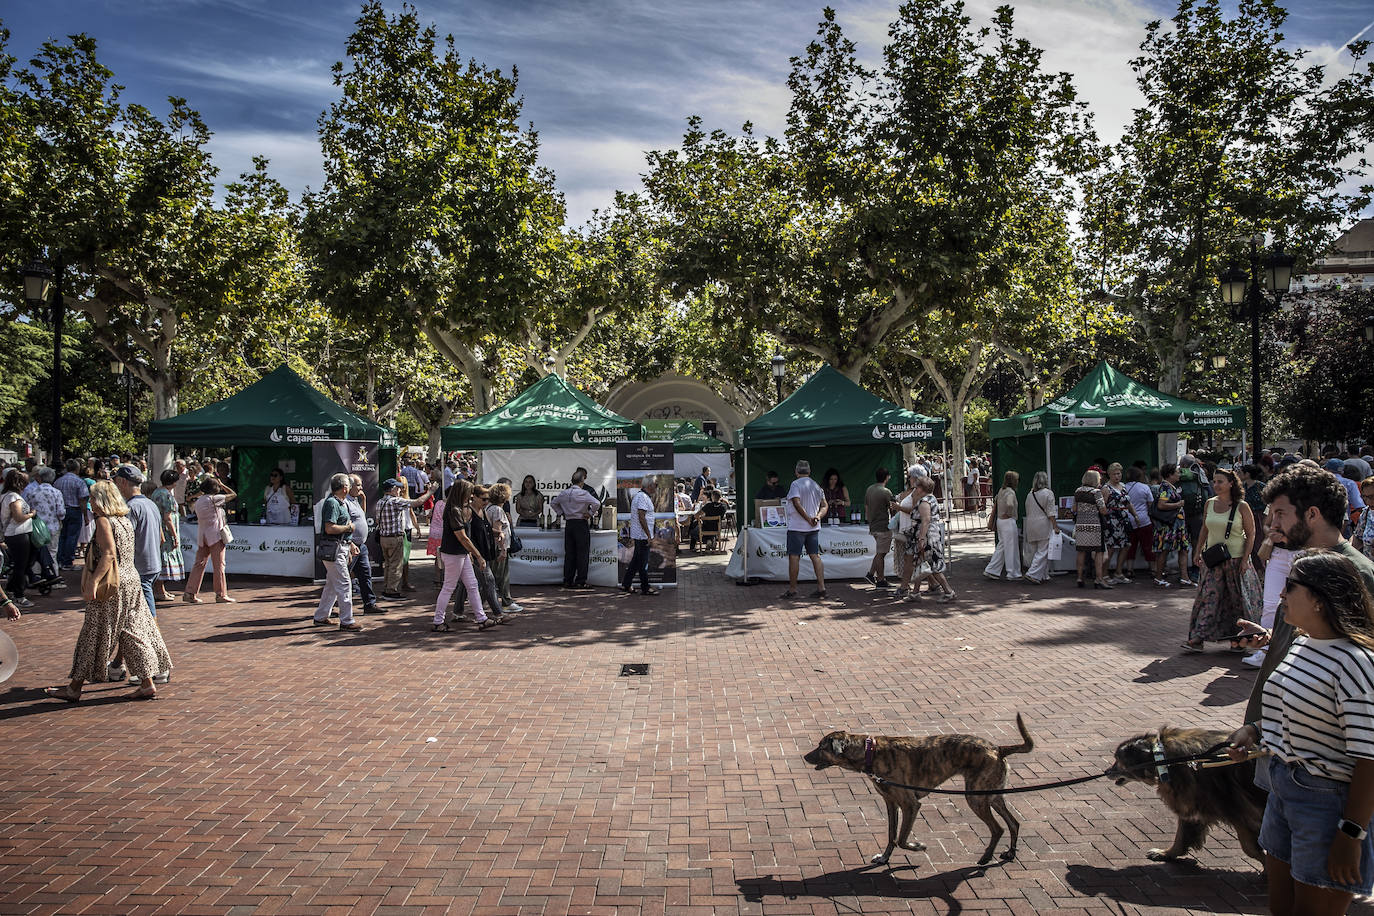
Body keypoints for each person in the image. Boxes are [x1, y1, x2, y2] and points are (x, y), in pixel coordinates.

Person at [1226, 550, 1374, 914]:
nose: (1280, 594)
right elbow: (1294, 709)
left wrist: (1351, 832)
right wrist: (1255, 730)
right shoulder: (1301, 643)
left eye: (1290, 586)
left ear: (1320, 600)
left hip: (1328, 802)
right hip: (1284, 791)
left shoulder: (1355, 664)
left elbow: (1369, 756)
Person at [43, 480, 172, 702]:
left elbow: (109, 554)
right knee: (134, 633)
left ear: (102, 500)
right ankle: (147, 682)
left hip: (113, 583)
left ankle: (74, 688)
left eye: (93, 498)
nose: (90, 503)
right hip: (131, 579)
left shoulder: (104, 521)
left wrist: (93, 582)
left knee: (94, 633)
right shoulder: (123, 520)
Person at [1181, 467, 1259, 653]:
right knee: (1208, 598)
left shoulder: (1241, 506)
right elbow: (1205, 530)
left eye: (1220, 481)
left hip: (1235, 559)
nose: (1216, 485)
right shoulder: (1210, 503)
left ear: (1231, 483)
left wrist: (1245, 559)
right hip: (1213, 559)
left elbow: (1251, 533)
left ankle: (1237, 640)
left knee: (1235, 601)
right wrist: (1198, 550)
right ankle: (1197, 638)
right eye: (1214, 481)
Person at [432, 479, 493, 632]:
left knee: (472, 585)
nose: (471, 496)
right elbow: (462, 537)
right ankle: (438, 621)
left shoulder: (457, 508)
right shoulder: (454, 510)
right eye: (469, 493)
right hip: (454, 553)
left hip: (459, 553)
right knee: (449, 587)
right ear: (462, 493)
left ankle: (482, 618)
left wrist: (471, 553)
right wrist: (478, 555)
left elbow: (464, 537)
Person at [452, 486, 515, 622]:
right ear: (474, 496)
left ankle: (457, 612)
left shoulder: (483, 511)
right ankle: (498, 613)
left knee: (465, 582)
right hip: (475, 552)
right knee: (489, 580)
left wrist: (499, 533)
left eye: (488, 499)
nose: (486, 502)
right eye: (484, 499)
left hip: (482, 551)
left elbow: (486, 529)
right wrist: (473, 553)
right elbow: (464, 534)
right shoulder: (468, 511)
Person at [312, 474, 362, 631]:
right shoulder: (333, 503)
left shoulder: (340, 503)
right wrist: (349, 528)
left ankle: (321, 616)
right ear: (344, 487)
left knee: (332, 585)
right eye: (348, 485)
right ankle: (347, 620)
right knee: (344, 583)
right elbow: (329, 527)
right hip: (335, 548)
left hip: (340, 546)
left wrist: (350, 543)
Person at [112, 465, 163, 619]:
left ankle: (153, 639)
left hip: (141, 566)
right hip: (152, 564)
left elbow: (125, 540)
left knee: (147, 613)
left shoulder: (132, 507)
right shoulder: (150, 504)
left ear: (122, 482)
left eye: (116, 482)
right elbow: (161, 537)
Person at [373, 477, 433, 599]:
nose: (400, 490)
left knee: (389, 564)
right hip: (395, 537)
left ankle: (387, 587)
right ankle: (391, 591)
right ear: (393, 489)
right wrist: (430, 492)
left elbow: (378, 520)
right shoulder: (395, 501)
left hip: (384, 537)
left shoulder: (380, 502)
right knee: (396, 565)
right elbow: (417, 502)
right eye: (398, 488)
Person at [183, 476, 238, 604]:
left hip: (203, 535)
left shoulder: (199, 501)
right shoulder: (215, 499)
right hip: (216, 535)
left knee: (199, 564)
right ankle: (221, 594)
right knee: (219, 565)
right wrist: (223, 484)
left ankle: (190, 592)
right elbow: (233, 494)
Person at [901, 476, 955, 601]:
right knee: (919, 563)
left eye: (916, 487)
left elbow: (925, 521)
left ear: (920, 488)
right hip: (928, 536)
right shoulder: (929, 498)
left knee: (933, 566)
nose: (914, 489)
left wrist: (921, 539)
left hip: (927, 537)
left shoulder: (924, 501)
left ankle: (948, 591)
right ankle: (915, 593)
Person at [780, 460, 826, 599]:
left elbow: (796, 502)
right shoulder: (816, 485)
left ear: (796, 471)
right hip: (813, 527)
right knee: (815, 556)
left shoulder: (795, 484)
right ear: (809, 471)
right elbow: (824, 505)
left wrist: (807, 518)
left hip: (797, 527)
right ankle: (821, 587)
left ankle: (793, 589)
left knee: (794, 557)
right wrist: (817, 517)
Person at [551, 469, 600, 589]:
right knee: (582, 553)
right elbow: (597, 503)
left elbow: (553, 503)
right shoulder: (584, 493)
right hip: (581, 523)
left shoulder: (564, 493)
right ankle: (581, 580)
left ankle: (568, 580)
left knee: (570, 553)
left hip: (569, 524)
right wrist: (589, 513)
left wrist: (561, 512)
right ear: (582, 481)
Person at [343, 475, 380, 615]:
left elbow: (360, 516)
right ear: (349, 486)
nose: (361, 488)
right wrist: (351, 543)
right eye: (358, 485)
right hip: (350, 546)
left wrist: (363, 500)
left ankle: (369, 604)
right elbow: (344, 524)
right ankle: (332, 607)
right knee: (342, 577)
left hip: (361, 546)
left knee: (365, 575)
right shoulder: (344, 502)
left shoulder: (355, 500)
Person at [1152, 463, 1192, 588]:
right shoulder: (1165, 487)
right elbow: (1161, 505)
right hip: (1169, 526)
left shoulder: (1170, 487)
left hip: (1177, 525)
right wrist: (1178, 504)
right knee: (1164, 551)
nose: (1179, 474)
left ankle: (1184, 577)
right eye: (1177, 472)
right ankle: (1158, 577)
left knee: (1183, 550)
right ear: (1170, 475)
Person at [620, 477, 661, 596]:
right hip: (642, 536)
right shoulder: (642, 497)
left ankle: (626, 584)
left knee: (636, 561)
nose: (657, 487)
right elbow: (641, 516)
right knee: (642, 563)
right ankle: (645, 587)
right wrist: (649, 535)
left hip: (640, 535)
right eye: (655, 484)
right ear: (649, 485)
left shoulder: (641, 496)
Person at [2, 472, 36, 608]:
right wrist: (32, 514)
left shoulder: (6, 495)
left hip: (14, 534)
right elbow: (18, 517)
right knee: (21, 565)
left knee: (21, 564)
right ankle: (19, 595)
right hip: (18, 534)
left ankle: (11, 589)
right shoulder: (13, 497)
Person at [26, 467, 63, 589]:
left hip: (36, 528)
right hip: (53, 526)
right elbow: (61, 512)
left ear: (40, 478)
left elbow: (27, 508)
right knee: (52, 552)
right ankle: (53, 576)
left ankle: (38, 577)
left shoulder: (32, 492)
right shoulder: (56, 493)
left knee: (37, 553)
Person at [486, 480, 520, 612]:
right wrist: (503, 549)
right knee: (501, 576)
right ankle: (506, 602)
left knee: (494, 576)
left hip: (494, 547)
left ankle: (492, 602)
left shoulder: (489, 508)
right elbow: (498, 531)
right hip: (498, 548)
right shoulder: (498, 510)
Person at [1073, 470, 1111, 589]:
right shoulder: (1096, 492)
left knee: (1081, 552)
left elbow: (1074, 508)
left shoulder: (1078, 491)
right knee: (1098, 552)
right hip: (1094, 526)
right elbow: (1103, 510)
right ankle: (1098, 579)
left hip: (1080, 526)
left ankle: (1079, 578)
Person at [150, 469, 183, 602]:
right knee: (164, 558)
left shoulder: (157, 492)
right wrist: (174, 535)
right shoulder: (167, 495)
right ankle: (159, 590)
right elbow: (167, 517)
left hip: (160, 529)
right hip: (166, 531)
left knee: (161, 557)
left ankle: (161, 589)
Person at [983, 471, 1022, 580]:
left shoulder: (1001, 490)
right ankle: (1012, 572)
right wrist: (1009, 513)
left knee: (1002, 546)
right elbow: (1009, 504)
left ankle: (992, 569)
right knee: (1011, 547)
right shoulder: (1011, 492)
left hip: (1000, 521)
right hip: (1008, 521)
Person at [1022, 471, 1059, 584]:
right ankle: (1032, 574)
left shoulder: (1030, 494)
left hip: (1030, 524)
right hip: (1043, 524)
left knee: (1034, 551)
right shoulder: (1048, 493)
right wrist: (1055, 526)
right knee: (1043, 551)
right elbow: (1051, 512)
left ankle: (1043, 574)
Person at [1101, 463, 1135, 584]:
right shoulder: (1106, 488)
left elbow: (1128, 503)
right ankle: (1104, 574)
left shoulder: (1123, 486)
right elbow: (1102, 505)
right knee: (1110, 548)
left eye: (1119, 473)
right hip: (1112, 520)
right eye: (1114, 474)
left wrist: (1135, 515)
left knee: (1126, 546)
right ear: (1109, 475)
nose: (1117, 476)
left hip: (1124, 519)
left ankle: (1118, 572)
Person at [54, 459, 90, 570]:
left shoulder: (58, 481)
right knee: (72, 537)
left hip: (61, 510)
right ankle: (67, 561)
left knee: (62, 536)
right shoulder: (79, 482)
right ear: (77, 469)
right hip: (74, 510)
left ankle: (60, 559)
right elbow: (82, 500)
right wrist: (85, 515)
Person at [863, 468, 896, 588]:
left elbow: (866, 507)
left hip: (873, 525)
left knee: (879, 552)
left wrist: (869, 521)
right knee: (881, 553)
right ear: (887, 477)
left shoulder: (869, 489)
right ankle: (880, 579)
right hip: (883, 526)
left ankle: (871, 574)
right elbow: (893, 508)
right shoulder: (886, 492)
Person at [1121, 466, 1155, 580]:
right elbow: (1151, 503)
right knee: (1148, 545)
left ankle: (1130, 569)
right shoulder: (1145, 487)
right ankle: (1153, 569)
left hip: (1128, 520)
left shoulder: (1123, 487)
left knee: (1131, 547)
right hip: (1144, 520)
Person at [1355, 476, 1374, 562]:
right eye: (1365, 497)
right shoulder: (1366, 513)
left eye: (1372, 497)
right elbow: (1357, 538)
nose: (1368, 501)